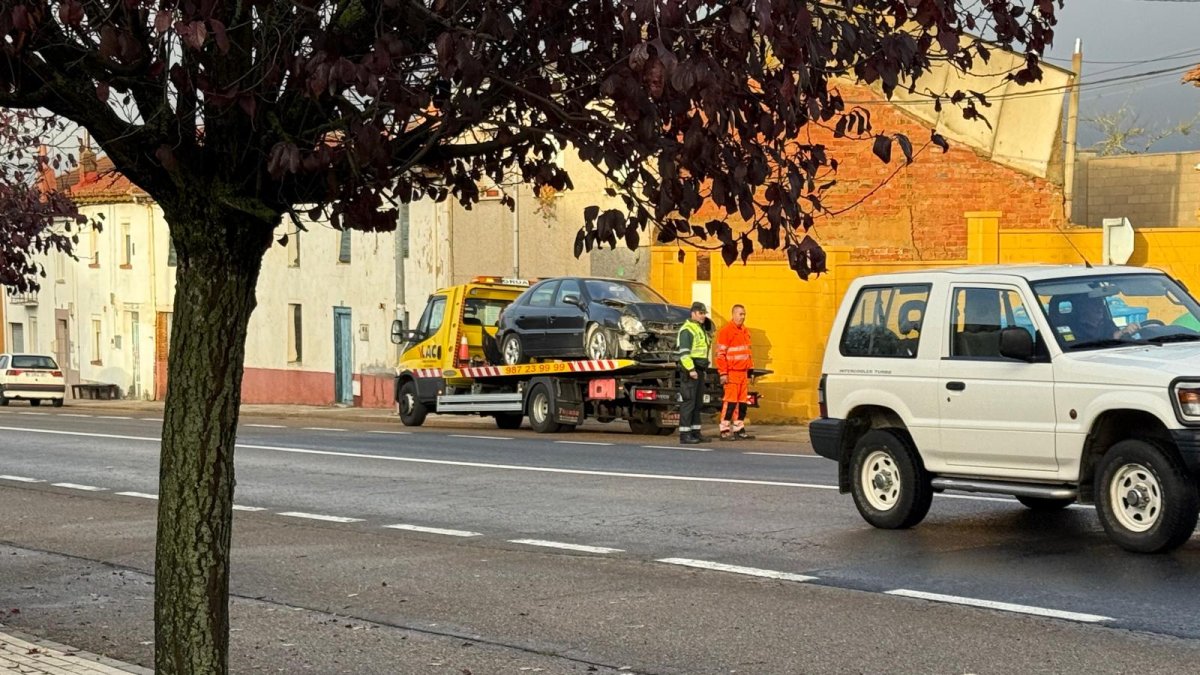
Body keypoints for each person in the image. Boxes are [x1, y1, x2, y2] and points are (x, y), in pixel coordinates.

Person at [715, 304, 755, 441]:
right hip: (732, 372)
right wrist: (723, 373)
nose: (742, 317)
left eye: (744, 314)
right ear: (733, 315)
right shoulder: (726, 331)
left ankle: (739, 428)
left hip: (743, 373)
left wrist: (750, 371)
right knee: (730, 403)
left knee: (742, 403)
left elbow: (747, 353)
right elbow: (720, 355)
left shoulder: (745, 331)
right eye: (740, 314)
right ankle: (725, 429)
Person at [676, 301, 712, 445]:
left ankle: (695, 432)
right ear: (693, 313)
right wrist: (691, 369)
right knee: (688, 403)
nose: (703, 316)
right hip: (691, 370)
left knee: (697, 403)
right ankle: (685, 434)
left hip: (699, 370)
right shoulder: (687, 330)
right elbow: (684, 354)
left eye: (704, 313)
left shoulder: (699, 328)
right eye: (701, 313)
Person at [1072, 296, 1140, 343]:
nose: (1099, 308)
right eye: (1095, 305)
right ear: (1083, 308)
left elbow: (1115, 335)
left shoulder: (1107, 323)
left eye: (1100, 303)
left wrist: (1125, 331)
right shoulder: (1075, 328)